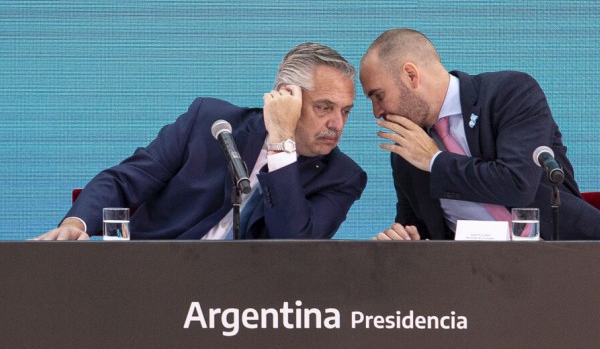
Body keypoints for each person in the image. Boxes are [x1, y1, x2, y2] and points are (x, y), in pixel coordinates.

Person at [36, 43, 367, 240]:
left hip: (242, 310)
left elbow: (292, 245)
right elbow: (124, 182)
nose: (336, 124)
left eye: (345, 112)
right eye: (324, 108)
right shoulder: (210, 122)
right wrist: (75, 223)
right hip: (153, 276)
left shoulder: (343, 177)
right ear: (285, 96)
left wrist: (282, 144)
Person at [359, 28, 600, 241]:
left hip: (564, 258)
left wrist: (435, 161)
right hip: (474, 276)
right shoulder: (407, 149)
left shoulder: (510, 93)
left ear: (411, 75)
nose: (377, 112)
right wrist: (406, 237)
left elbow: (517, 185)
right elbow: (418, 226)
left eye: (378, 96)